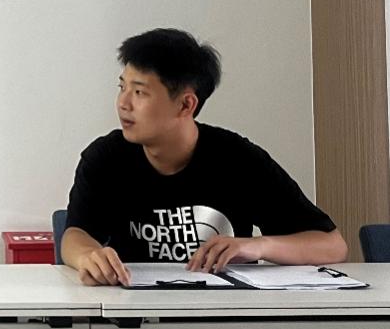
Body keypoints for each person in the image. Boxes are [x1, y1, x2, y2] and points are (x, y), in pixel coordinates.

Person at [60, 28, 348, 286]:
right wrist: (88, 256)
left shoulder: (238, 159)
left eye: (139, 92)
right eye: (122, 87)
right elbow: (75, 235)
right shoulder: (106, 158)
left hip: (223, 315)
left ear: (186, 105)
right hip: (136, 314)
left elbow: (332, 245)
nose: (123, 103)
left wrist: (257, 246)